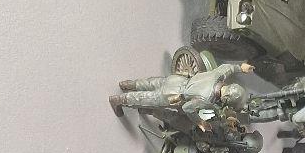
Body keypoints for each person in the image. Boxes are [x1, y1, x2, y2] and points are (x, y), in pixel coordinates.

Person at [109, 61, 254, 118]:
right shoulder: (207, 100)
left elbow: (227, 68)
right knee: (147, 98)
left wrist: (240, 68)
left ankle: (127, 84)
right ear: (226, 99)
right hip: (173, 94)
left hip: (178, 80)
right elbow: (187, 108)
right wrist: (200, 122)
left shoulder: (218, 76)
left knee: (151, 83)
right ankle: (118, 100)